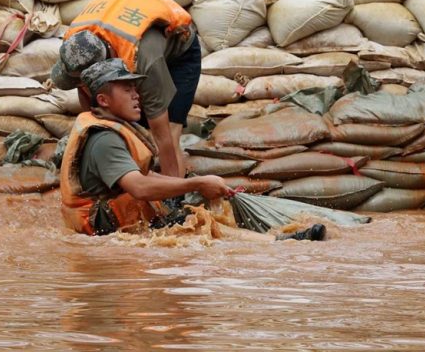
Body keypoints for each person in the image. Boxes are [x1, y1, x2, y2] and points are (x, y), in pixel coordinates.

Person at [60, 57, 325, 241]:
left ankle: (274, 240)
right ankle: (278, 243)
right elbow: (139, 187)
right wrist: (196, 184)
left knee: (191, 215)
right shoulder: (105, 139)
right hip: (103, 228)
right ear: (103, 100)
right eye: (127, 89)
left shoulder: (110, 128)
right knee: (196, 225)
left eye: (135, 89)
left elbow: (142, 176)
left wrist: (191, 184)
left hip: (111, 221)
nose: (136, 95)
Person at [51, 0, 200, 178]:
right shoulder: (77, 43)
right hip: (126, 33)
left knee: (169, 133)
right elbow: (90, 108)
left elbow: (163, 138)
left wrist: (172, 194)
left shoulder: (144, 59)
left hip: (180, 52)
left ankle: (175, 188)